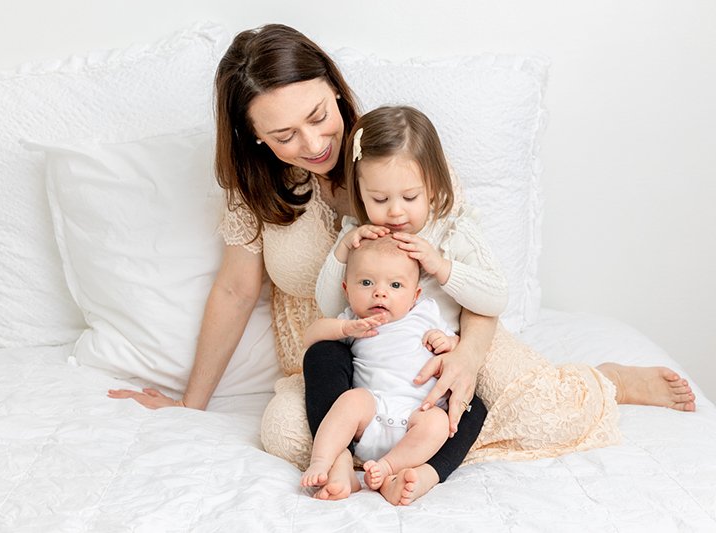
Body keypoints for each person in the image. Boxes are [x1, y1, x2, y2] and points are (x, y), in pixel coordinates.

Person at [107, 23, 494, 502]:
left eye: (318, 116)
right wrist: (191, 405)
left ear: (334, 86)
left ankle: (608, 378)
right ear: (254, 137)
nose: (313, 144)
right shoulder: (254, 192)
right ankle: (353, 461)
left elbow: (475, 275)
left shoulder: (395, 156)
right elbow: (234, 291)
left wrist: (467, 357)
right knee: (286, 434)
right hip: (330, 359)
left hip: (429, 348)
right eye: (284, 134)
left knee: (522, 408)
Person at [315, 104, 697, 505]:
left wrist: (442, 267)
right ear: (359, 192)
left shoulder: (452, 231)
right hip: (385, 372)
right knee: (306, 422)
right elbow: (328, 305)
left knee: (525, 413)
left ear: (433, 187)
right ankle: (381, 457)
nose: (394, 211)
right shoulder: (360, 236)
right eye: (379, 198)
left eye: (409, 196)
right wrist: (343, 252)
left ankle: (609, 381)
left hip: (456, 350)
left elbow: (495, 295)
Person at [302, 235, 465, 498]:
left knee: (438, 422)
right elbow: (311, 338)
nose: (380, 292)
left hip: (416, 416)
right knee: (352, 400)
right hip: (372, 413)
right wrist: (344, 328)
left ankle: (388, 469)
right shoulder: (354, 322)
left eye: (396, 284)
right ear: (347, 290)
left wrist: (446, 341)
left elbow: (458, 347)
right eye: (366, 283)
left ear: (415, 295)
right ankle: (323, 460)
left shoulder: (425, 313)